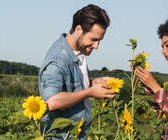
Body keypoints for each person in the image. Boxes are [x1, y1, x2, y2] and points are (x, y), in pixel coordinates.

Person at [38, 4, 115, 139]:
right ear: (78, 29)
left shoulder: (76, 53)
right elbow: (52, 101)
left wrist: (91, 83)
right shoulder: (58, 59)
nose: (96, 46)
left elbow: (70, 86)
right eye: (94, 39)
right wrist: (90, 92)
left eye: (99, 41)